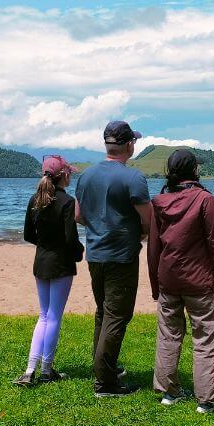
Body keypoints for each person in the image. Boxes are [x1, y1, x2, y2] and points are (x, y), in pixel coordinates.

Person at [148, 150, 214, 414]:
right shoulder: (204, 199)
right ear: (194, 171)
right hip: (199, 282)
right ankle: (207, 400)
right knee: (205, 338)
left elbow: (153, 248)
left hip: (168, 280)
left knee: (168, 335)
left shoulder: (159, 201)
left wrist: (156, 285)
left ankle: (169, 392)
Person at [75, 120, 151, 397]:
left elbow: (78, 216)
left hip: (95, 253)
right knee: (117, 315)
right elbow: (147, 220)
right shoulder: (133, 178)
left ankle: (104, 369)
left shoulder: (86, 176)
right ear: (129, 144)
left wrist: (99, 227)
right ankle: (105, 383)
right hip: (122, 255)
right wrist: (137, 235)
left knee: (103, 311)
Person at [13, 155, 84, 387]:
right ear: (63, 175)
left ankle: (29, 369)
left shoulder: (35, 199)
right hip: (61, 264)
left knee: (43, 315)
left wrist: (44, 245)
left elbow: (27, 235)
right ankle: (46, 369)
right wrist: (78, 252)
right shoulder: (67, 201)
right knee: (54, 316)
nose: (71, 175)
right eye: (69, 172)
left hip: (41, 263)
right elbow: (70, 237)